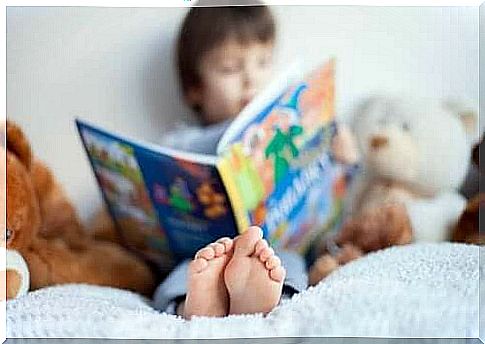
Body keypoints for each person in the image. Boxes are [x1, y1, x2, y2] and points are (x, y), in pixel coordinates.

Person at [154, 2, 358, 319]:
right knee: (184, 272)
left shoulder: (290, 125)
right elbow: (168, 159)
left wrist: (344, 160)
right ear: (195, 88)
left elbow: (327, 194)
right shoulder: (182, 142)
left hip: (274, 243)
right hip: (202, 250)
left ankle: (265, 297)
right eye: (231, 69)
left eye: (262, 62)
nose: (250, 79)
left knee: (286, 264)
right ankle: (195, 303)